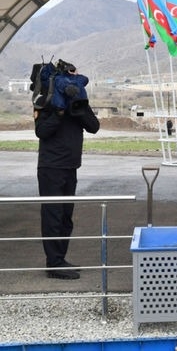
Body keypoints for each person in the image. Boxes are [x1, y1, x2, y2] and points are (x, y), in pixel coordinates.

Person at [34, 62, 100, 279]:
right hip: (51, 167)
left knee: (65, 218)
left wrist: (77, 107)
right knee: (52, 216)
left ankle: (60, 259)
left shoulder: (78, 102)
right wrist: (60, 111)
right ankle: (53, 264)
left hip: (70, 167)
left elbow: (94, 126)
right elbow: (42, 132)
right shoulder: (47, 102)